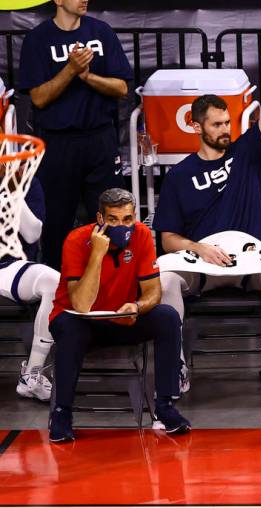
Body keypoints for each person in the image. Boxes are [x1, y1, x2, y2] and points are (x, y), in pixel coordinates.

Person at [154, 9, 261, 397]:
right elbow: (168, 240)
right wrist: (198, 248)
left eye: (228, 123)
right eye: (217, 125)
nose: (226, 130)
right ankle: (174, 364)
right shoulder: (178, 176)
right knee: (164, 275)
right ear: (196, 126)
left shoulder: (247, 152)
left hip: (250, 256)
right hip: (204, 265)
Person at [47, 188, 190, 443]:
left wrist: (137, 306)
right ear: (100, 219)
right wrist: (97, 255)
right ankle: (61, 414)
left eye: (128, 219)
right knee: (70, 328)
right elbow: (80, 303)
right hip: (80, 320)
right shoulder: (76, 240)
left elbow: (153, 292)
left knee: (167, 316)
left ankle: (165, 406)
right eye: (114, 219)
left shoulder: (143, 234)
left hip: (122, 317)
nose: (123, 226)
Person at [18, 0, 131, 269]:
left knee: (112, 214)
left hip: (100, 139)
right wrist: (69, 70)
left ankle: (112, 280)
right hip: (57, 142)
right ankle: (57, 287)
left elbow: (121, 87)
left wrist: (87, 75)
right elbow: (38, 98)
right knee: (56, 220)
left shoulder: (101, 33)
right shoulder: (38, 40)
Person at [0, 178, 57, 400]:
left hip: (8, 266)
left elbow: (33, 234)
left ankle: (32, 374)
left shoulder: (25, 182)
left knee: (53, 282)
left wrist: (12, 191)